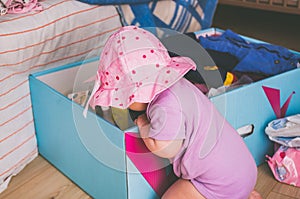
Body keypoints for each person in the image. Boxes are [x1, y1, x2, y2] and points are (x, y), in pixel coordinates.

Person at [87, 25, 262, 199]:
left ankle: (234, 194)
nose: (123, 104)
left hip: (218, 184)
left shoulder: (163, 107)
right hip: (243, 170)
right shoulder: (180, 85)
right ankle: (242, 193)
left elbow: (167, 148)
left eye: (124, 98)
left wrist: (144, 125)